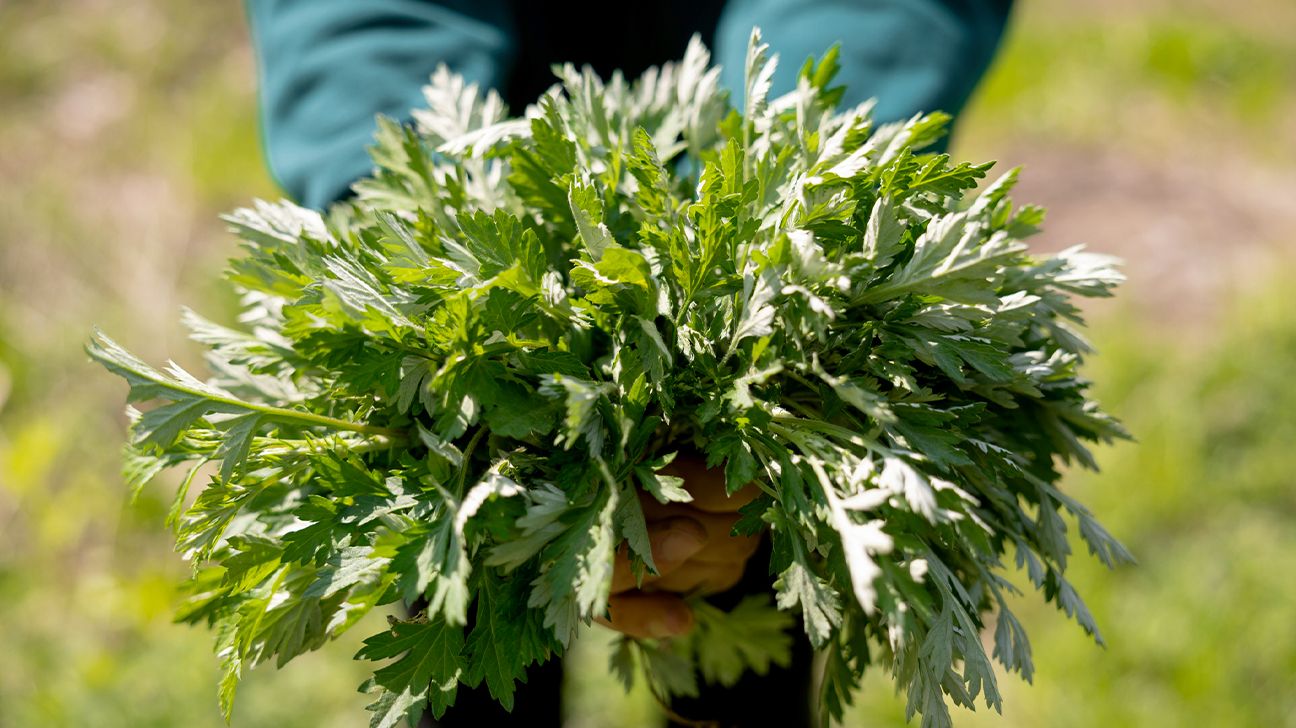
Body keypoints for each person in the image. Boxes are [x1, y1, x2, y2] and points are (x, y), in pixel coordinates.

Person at [242, 2, 1013, 725]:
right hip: (475, 178)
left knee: (749, 521)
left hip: (755, 163)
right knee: (463, 523)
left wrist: (801, 199)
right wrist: (402, 216)